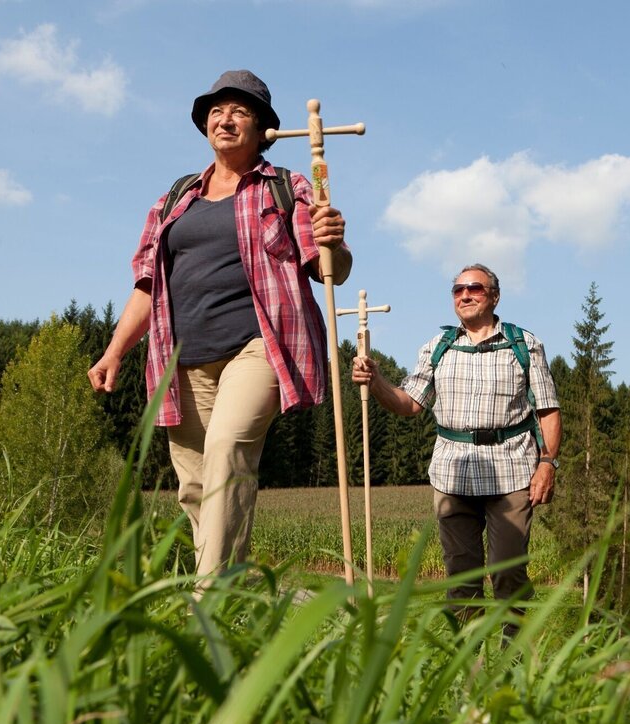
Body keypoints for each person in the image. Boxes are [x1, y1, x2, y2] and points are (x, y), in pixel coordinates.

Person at [88, 70, 351, 583]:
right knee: (196, 488)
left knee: (227, 449)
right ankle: (238, 589)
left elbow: (327, 271)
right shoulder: (175, 198)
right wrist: (116, 349)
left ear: (262, 129)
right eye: (215, 112)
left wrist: (334, 243)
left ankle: (205, 602)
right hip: (179, 359)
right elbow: (147, 283)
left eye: (239, 111)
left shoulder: (283, 187)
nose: (224, 119)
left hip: (260, 348)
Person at [351, 263, 561, 631]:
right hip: (452, 474)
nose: (465, 294)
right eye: (457, 289)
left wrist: (547, 464)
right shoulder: (438, 348)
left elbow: (548, 409)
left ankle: (513, 658)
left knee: (508, 572)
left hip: (511, 470)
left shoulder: (524, 344)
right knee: (461, 577)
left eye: (475, 288)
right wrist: (377, 380)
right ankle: (468, 661)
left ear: (494, 297)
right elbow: (409, 404)